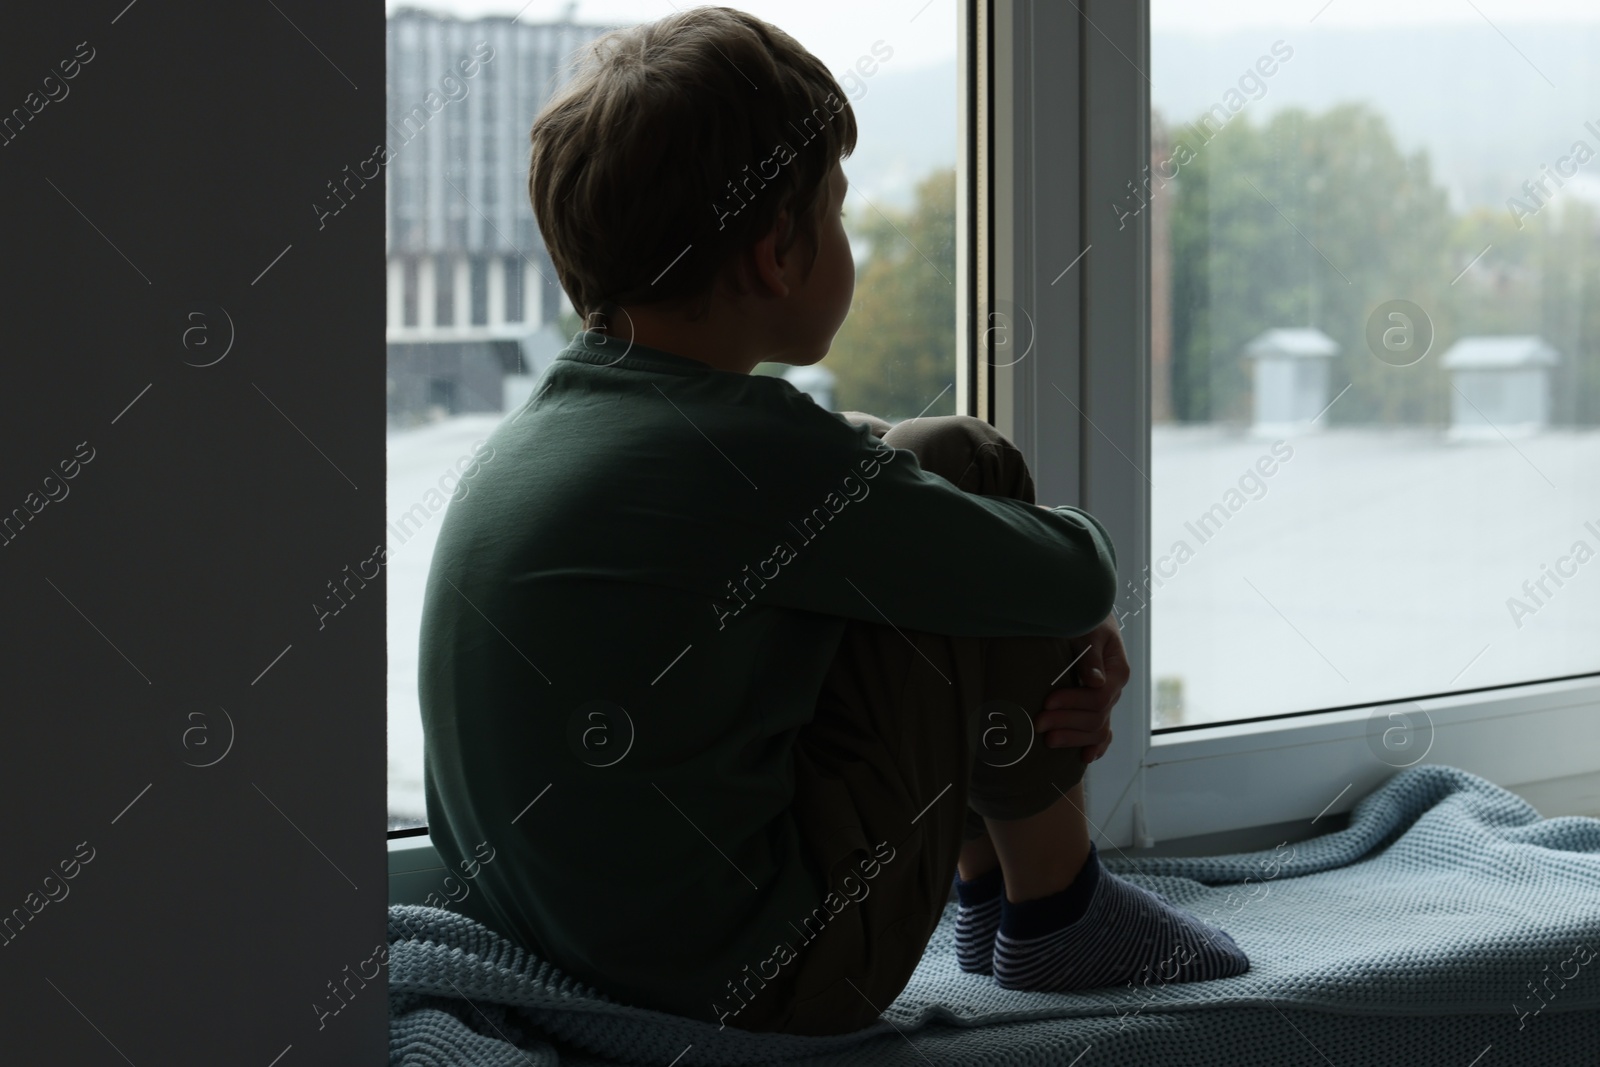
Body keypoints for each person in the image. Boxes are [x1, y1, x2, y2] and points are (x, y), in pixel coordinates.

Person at [415, 4, 1248, 1037]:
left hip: (569, 949)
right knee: (967, 461)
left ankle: (994, 897)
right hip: (765, 982)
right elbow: (1072, 572)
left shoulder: (547, 435)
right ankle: (1058, 908)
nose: (847, 236)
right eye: (840, 211)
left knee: (920, 475)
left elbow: (819, 471)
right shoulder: (749, 461)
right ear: (777, 254)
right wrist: (1075, 614)